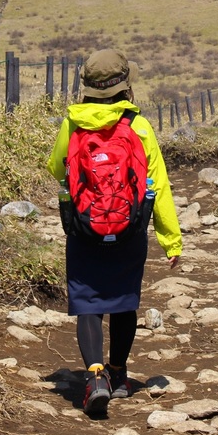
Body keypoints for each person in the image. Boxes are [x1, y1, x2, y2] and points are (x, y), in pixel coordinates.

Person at [46, 48, 182, 416]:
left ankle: (94, 377)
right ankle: (119, 375)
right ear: (125, 86)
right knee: (124, 300)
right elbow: (160, 184)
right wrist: (171, 240)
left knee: (88, 302)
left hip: (84, 226)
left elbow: (56, 166)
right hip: (130, 227)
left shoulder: (73, 123)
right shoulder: (138, 126)